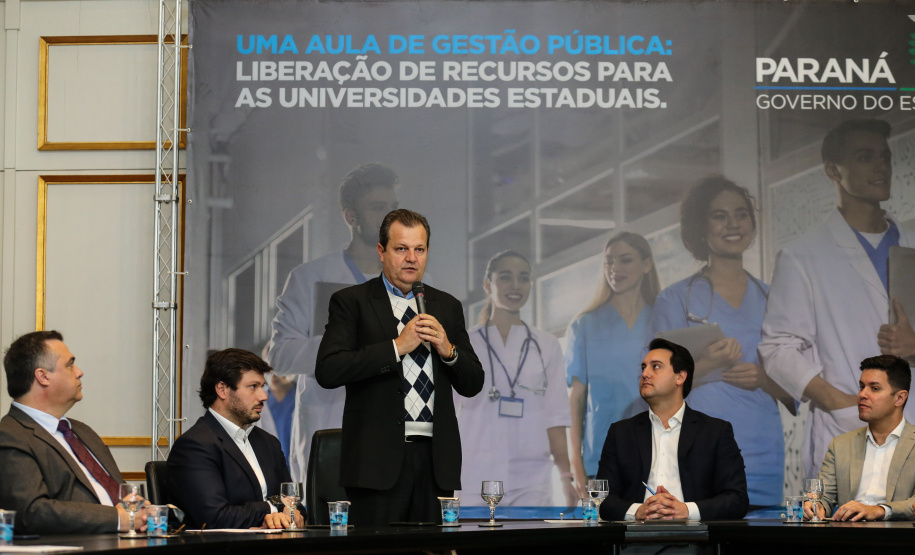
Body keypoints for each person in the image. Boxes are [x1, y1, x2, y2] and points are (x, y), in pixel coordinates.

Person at [760, 119, 915, 479]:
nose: (880, 167)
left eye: (885, 157)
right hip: (849, 429)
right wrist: (838, 401)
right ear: (833, 171)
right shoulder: (804, 255)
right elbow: (777, 348)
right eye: (864, 157)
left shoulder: (912, 242)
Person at [315, 209, 484, 526]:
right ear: (381, 251)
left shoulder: (446, 306)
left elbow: (473, 383)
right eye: (401, 248)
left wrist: (448, 349)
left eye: (419, 249)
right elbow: (328, 369)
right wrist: (396, 347)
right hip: (375, 464)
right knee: (380, 550)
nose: (411, 258)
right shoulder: (351, 301)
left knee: (432, 549)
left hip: (435, 462)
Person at [648, 176, 793, 510]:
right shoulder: (675, 300)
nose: (733, 224)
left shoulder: (774, 299)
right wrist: (708, 364)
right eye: (719, 216)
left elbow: (794, 391)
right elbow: (655, 387)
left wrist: (763, 378)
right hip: (700, 452)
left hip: (763, 454)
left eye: (741, 214)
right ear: (701, 227)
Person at [269, 163, 399, 479]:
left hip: (392, 431)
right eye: (377, 208)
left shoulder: (414, 281)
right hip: (331, 425)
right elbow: (280, 356)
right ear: (351, 217)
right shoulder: (311, 277)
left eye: (393, 207)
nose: (390, 217)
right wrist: (349, 345)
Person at [455, 250, 580, 508]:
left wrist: (565, 477)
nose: (515, 285)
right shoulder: (464, 344)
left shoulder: (547, 345)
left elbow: (555, 417)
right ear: (487, 285)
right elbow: (447, 414)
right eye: (505, 277)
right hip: (474, 472)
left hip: (531, 477)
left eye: (523, 278)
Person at [0, 330, 143, 534]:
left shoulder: (83, 432)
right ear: (43, 376)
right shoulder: (10, 436)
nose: (79, 372)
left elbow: (119, 495)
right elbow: (32, 512)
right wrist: (118, 519)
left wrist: (138, 510)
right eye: (70, 365)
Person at [596, 338, 749, 521]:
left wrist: (686, 511)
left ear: (680, 377)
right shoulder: (621, 433)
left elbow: (737, 499)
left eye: (656, 367)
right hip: (636, 535)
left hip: (696, 536)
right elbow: (602, 499)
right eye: (643, 367)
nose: (645, 374)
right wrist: (638, 511)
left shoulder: (715, 432)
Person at [167, 348, 302, 529]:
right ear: (222, 389)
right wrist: (272, 509)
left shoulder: (268, 442)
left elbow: (294, 504)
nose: (263, 396)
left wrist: (293, 514)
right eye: (253, 386)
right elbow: (215, 518)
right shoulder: (194, 446)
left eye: (262, 386)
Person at [566, 232, 660, 487]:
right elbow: (576, 400)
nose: (615, 268)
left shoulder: (662, 320)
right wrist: (576, 466)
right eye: (609, 262)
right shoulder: (584, 325)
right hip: (600, 459)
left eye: (625, 260)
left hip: (658, 457)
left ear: (646, 265)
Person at [805, 355, 915, 521]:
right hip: (849, 534)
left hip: (899, 535)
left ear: (900, 398)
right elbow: (824, 497)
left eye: (874, 388)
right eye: (862, 387)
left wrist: (880, 510)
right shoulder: (840, 445)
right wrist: (815, 506)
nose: (863, 394)